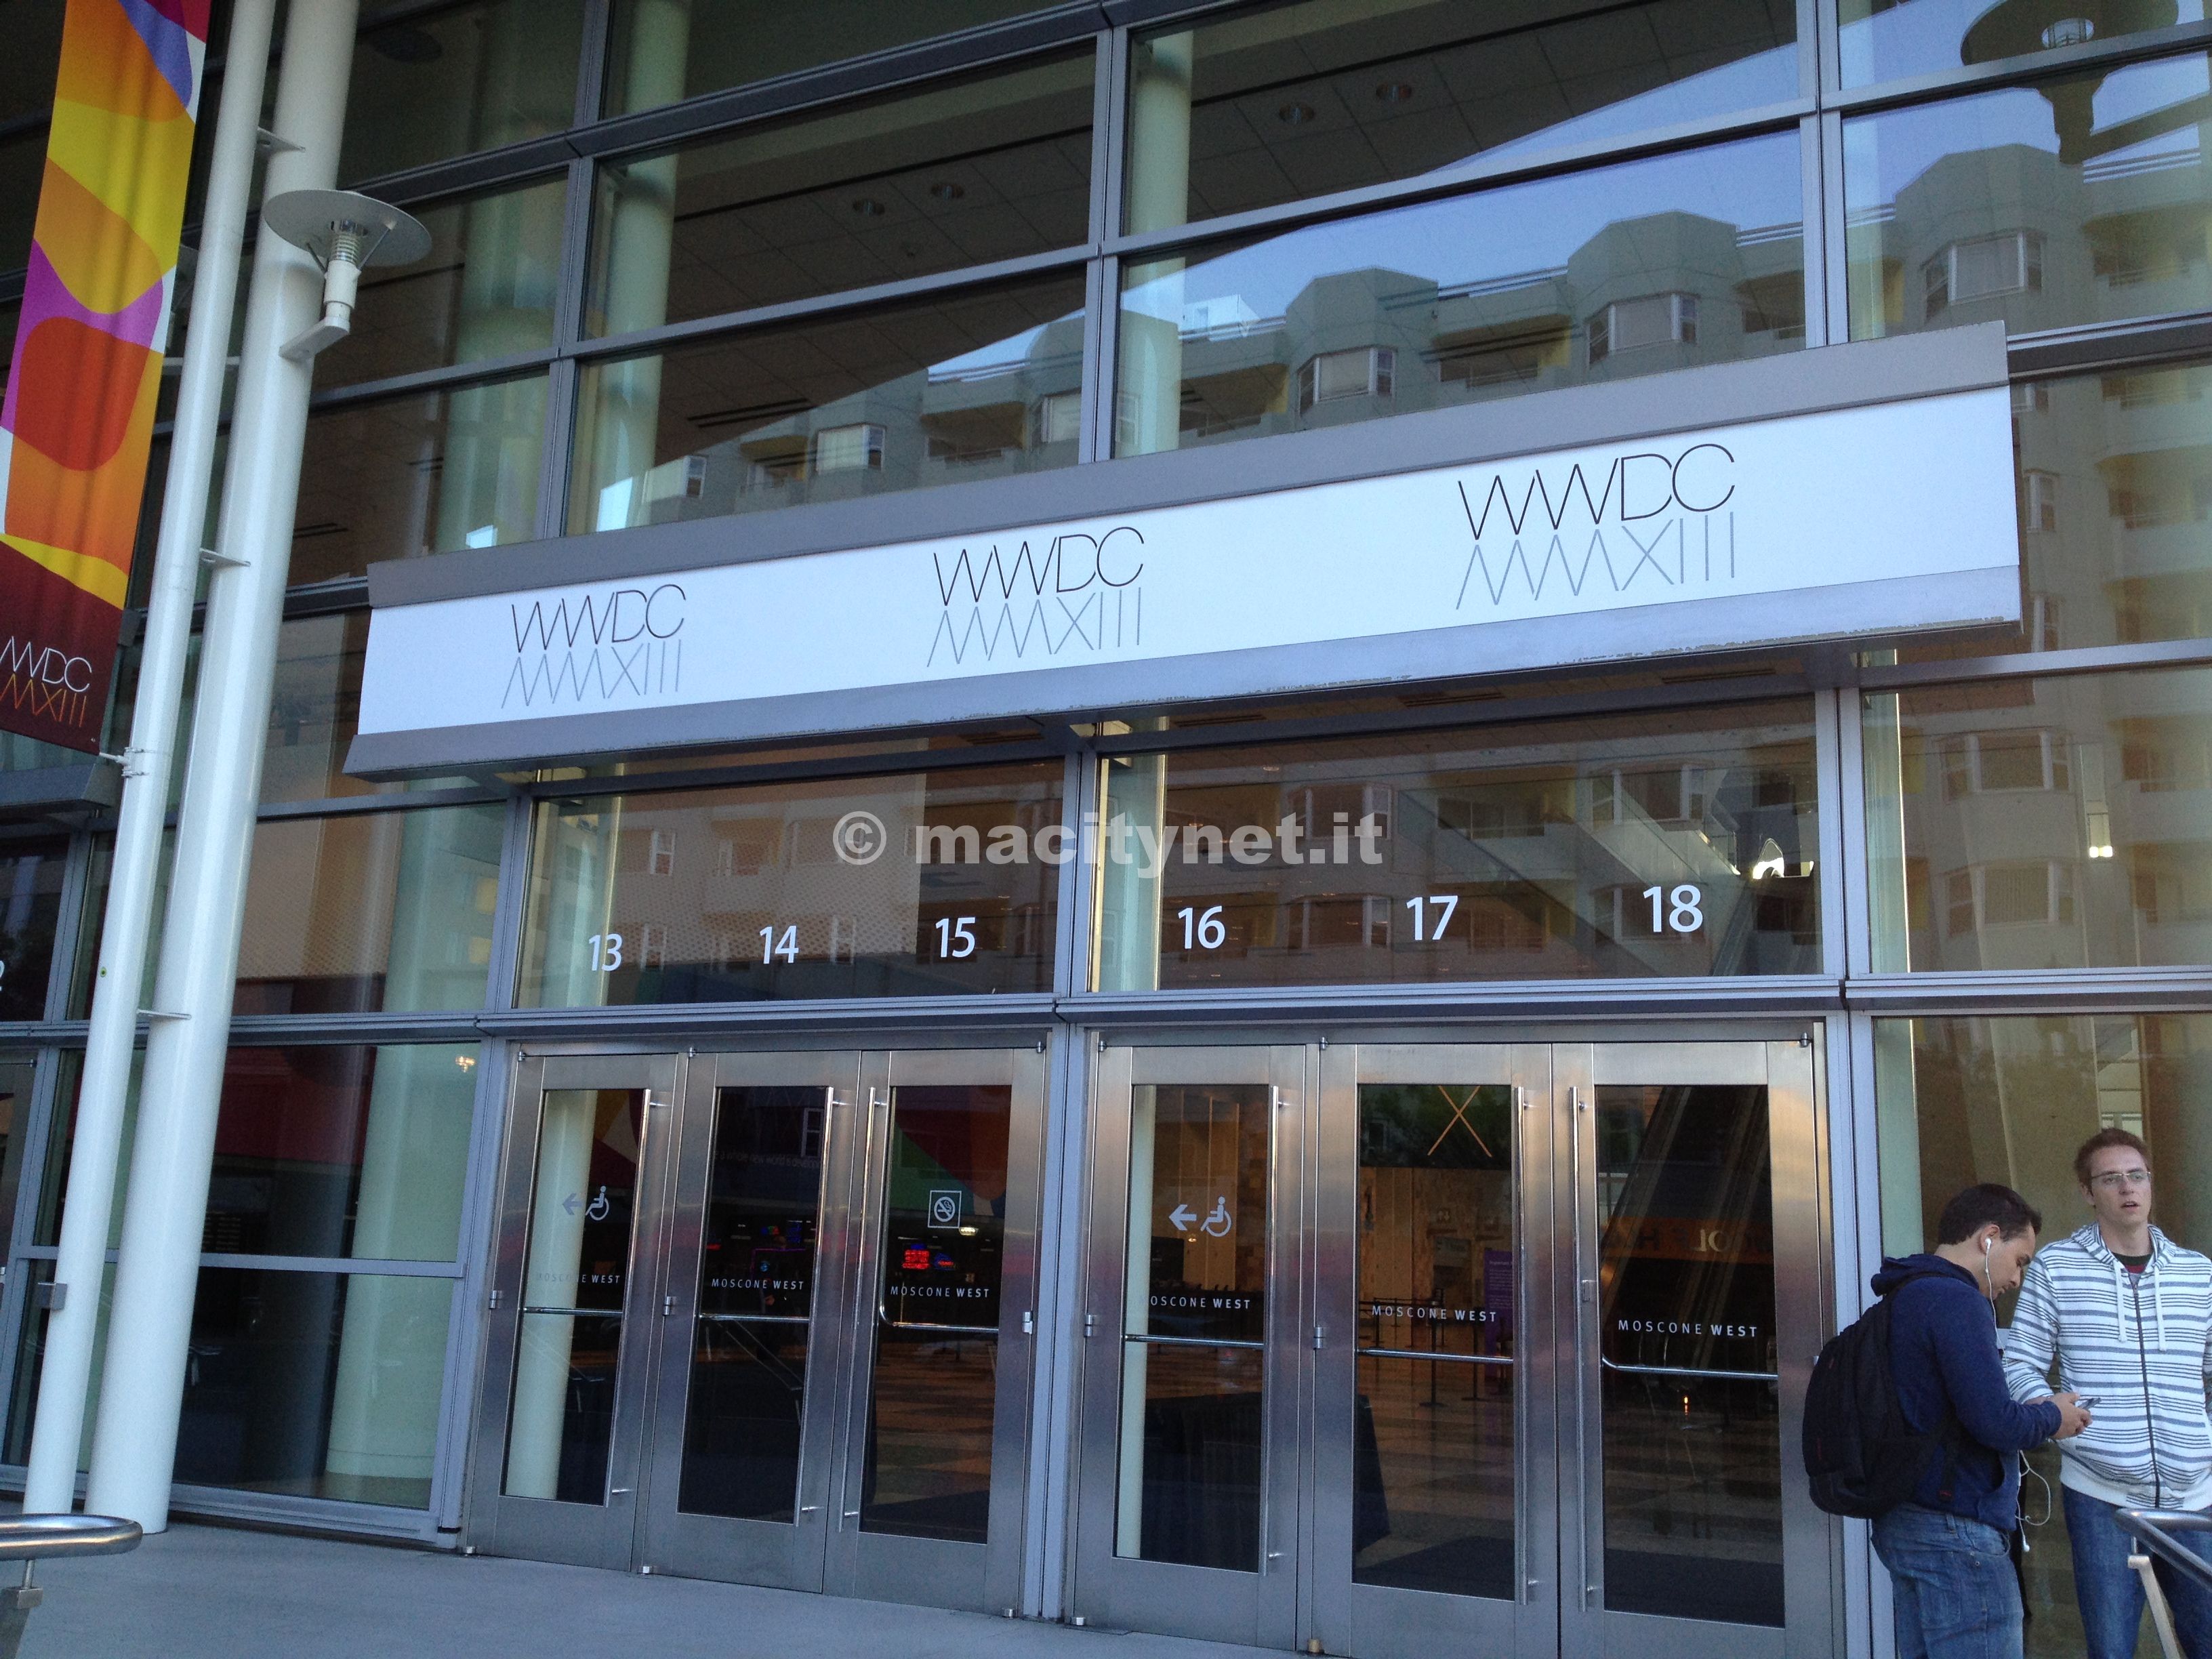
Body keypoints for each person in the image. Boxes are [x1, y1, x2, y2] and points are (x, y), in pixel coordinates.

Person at [2004, 1128, 2212, 1659]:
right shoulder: (2056, 1267)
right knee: (2112, 1648)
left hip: (2196, 1498)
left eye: (2137, 1175)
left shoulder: (2198, 1273)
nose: (2127, 1187)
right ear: (2087, 1191)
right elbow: (2021, 1362)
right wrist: (2053, 1416)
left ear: (2150, 1183)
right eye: (2111, 1178)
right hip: (2102, 1496)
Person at [1872, 1183, 2091, 1659]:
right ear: (1989, 1237)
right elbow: (1994, 1422)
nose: (2018, 1278)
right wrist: (2052, 1416)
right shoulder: (1958, 1301)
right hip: (1955, 1527)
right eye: (2020, 1260)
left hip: (1903, 1516)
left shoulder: (1904, 1294)